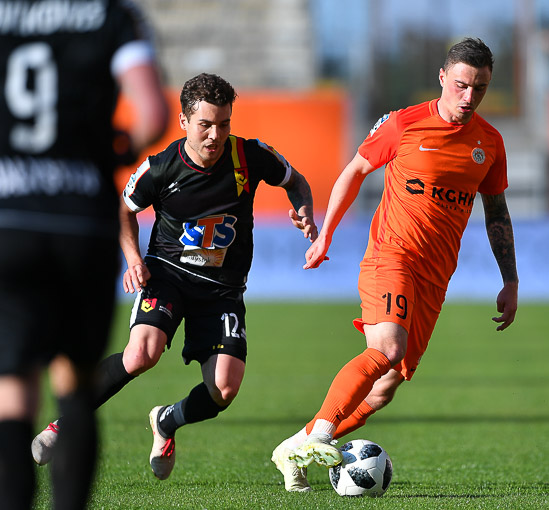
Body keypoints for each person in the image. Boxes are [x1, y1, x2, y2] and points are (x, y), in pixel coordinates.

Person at [30, 72, 319, 482]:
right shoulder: (160, 168)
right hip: (169, 275)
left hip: (223, 291)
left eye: (224, 124)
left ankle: (167, 420)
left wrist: (304, 211)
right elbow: (124, 210)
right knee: (141, 354)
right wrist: (133, 259)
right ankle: (64, 424)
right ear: (183, 121)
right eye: (205, 125)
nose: (215, 135)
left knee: (224, 390)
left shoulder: (250, 156)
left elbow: (296, 182)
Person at [271, 37, 519, 492]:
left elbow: (497, 214)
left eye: (480, 88)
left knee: (385, 387)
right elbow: (355, 171)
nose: (469, 97)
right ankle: (322, 433)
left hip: (435, 275)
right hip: (392, 255)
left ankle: (295, 447)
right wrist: (326, 234)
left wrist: (511, 280)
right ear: (442, 78)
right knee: (387, 348)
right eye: (461, 85)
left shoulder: (489, 142)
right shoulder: (405, 124)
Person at [0, 1, 169, 508]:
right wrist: (109, 153)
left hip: (12, 222)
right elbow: (153, 114)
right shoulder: (111, 15)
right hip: (82, 223)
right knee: (74, 385)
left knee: (14, 390)